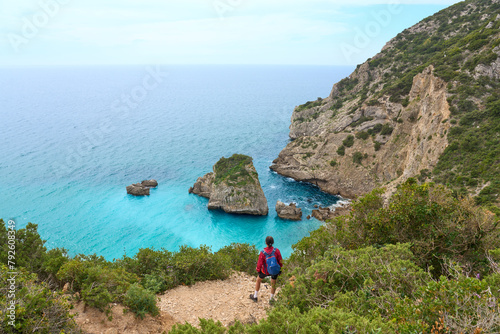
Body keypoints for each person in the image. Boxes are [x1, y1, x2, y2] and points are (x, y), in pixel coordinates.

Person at [249, 236, 283, 302]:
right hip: (274, 271)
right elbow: (280, 261)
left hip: (265, 271)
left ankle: (255, 296)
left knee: (258, 280)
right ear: (273, 242)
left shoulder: (263, 252)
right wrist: (280, 270)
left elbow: (259, 264)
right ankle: (271, 299)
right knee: (273, 284)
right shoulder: (276, 251)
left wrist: (258, 270)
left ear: (266, 242)